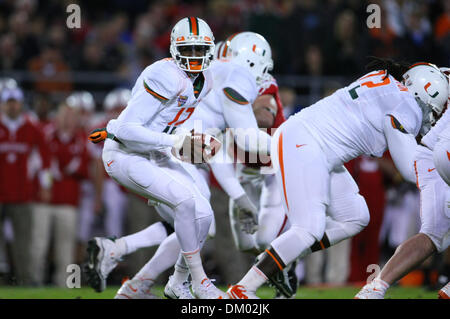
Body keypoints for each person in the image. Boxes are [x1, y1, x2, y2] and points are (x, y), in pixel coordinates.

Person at [226, 58, 449, 299]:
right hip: (305, 144)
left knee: (355, 217)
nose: (430, 119)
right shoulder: (408, 105)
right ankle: (242, 289)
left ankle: (281, 258)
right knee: (309, 229)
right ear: (421, 96)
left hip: (317, 149)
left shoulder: (388, 84)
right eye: (432, 110)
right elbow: (409, 169)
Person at [85, 31, 275, 299]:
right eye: (191, 50)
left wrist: (198, 143)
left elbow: (196, 135)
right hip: (141, 152)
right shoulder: (178, 75)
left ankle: (131, 271)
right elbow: (136, 127)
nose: (196, 57)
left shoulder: (207, 80)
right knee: (190, 212)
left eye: (201, 51)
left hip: (161, 150)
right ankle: (190, 282)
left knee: (199, 218)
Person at [356, 65, 450, 299]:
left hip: (428, 153)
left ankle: (375, 288)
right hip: (441, 150)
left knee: (432, 234)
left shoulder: (428, 79)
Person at [30, 103, 89, 287]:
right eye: (63, 116)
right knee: (38, 244)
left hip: (68, 201)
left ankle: (65, 285)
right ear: (56, 118)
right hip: (43, 201)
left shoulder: (81, 139)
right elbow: (38, 163)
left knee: (66, 247)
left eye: (71, 116)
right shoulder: (45, 134)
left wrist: (59, 170)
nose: (67, 120)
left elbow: (83, 168)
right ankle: (33, 282)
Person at [0, 86, 51, 285]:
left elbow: (45, 162)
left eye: (15, 102)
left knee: (24, 242)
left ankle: (25, 281)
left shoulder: (32, 129)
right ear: (3, 104)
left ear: (21, 104)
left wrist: (45, 186)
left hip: (23, 194)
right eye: (8, 102)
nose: (12, 106)